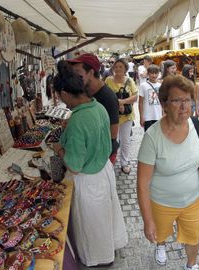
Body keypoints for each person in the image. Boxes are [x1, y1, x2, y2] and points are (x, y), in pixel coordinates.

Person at [52, 65, 128, 267]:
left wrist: (59, 148)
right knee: (104, 220)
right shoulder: (97, 106)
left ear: (65, 93)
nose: (61, 101)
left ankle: (98, 260)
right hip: (103, 171)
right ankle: (106, 252)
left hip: (88, 179)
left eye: (60, 96)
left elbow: (74, 165)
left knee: (92, 226)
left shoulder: (78, 119)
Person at [137, 75, 199, 270]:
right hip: (162, 202)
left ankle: (191, 265)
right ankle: (161, 246)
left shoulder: (196, 125)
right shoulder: (152, 137)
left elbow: (198, 158)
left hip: (194, 199)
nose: (183, 106)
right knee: (160, 233)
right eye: (176, 100)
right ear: (164, 103)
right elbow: (142, 185)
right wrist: (148, 221)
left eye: (187, 100)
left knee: (193, 236)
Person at [67, 53, 120, 164]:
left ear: (90, 72)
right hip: (88, 153)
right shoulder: (85, 91)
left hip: (103, 156)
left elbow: (112, 134)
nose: (74, 78)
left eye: (77, 73)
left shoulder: (108, 97)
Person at [105, 58, 138, 174]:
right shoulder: (108, 80)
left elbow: (135, 97)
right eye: (116, 67)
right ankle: (111, 162)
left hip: (126, 117)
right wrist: (115, 103)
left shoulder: (129, 81)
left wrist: (122, 102)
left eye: (121, 67)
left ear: (125, 69)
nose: (118, 69)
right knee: (113, 140)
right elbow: (105, 96)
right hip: (112, 117)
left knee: (125, 141)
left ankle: (124, 163)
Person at [139, 64, 162, 131]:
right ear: (148, 74)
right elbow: (140, 102)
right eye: (152, 73)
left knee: (158, 136)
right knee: (148, 136)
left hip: (158, 115)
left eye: (156, 73)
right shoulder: (143, 85)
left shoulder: (160, 86)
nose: (154, 75)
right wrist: (141, 116)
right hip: (147, 116)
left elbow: (162, 101)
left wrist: (163, 114)